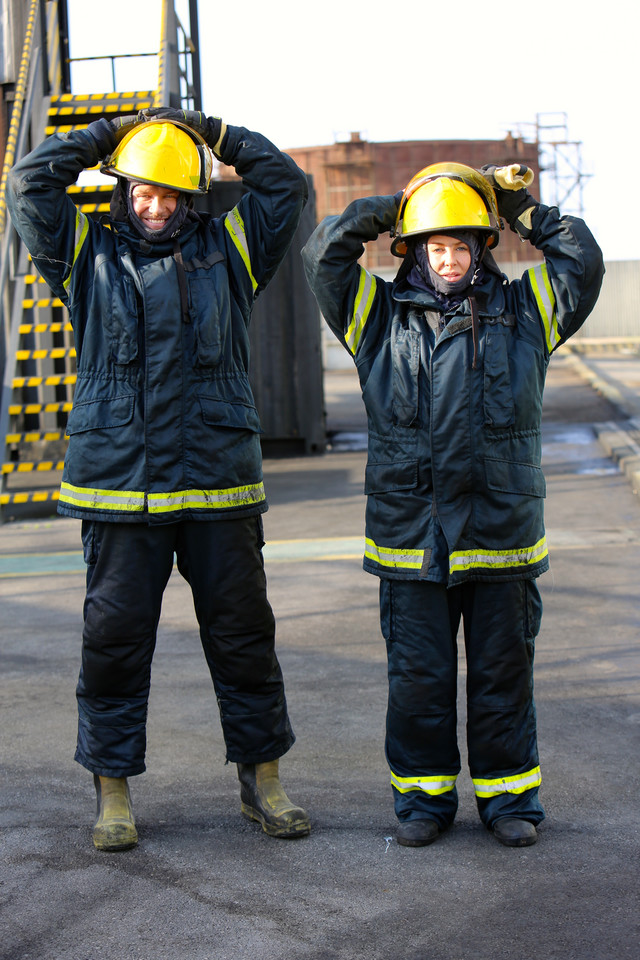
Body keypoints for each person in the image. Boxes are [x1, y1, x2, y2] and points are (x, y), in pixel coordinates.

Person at [7, 107, 311, 851]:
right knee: (113, 643)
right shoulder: (85, 253)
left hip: (216, 484)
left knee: (244, 638)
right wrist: (105, 138)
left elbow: (287, 187)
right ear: (121, 191)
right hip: (119, 486)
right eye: (142, 191)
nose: (154, 205)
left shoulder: (234, 247)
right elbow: (26, 184)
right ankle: (113, 792)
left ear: (191, 197)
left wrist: (216, 133)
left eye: (170, 193)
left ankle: (262, 781)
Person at [302, 161, 604, 847]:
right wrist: (393, 205)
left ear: (481, 249)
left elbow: (581, 260)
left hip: (501, 534)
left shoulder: (526, 315)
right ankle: (422, 803)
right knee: (419, 679)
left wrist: (518, 203)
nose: (448, 257)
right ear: (411, 250)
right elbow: (324, 253)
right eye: (434, 244)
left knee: (503, 675)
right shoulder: (375, 320)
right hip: (412, 537)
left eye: (461, 244)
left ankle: (508, 802)